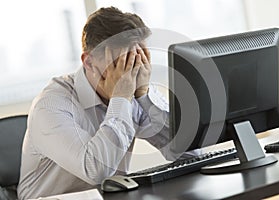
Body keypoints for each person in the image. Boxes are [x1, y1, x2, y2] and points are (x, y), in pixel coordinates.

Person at [17, 6, 174, 200]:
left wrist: (144, 95)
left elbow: (187, 153)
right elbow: (96, 171)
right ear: (89, 63)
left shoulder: (133, 86)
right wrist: (121, 98)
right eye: (121, 62)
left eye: (137, 58)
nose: (131, 71)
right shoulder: (50, 105)